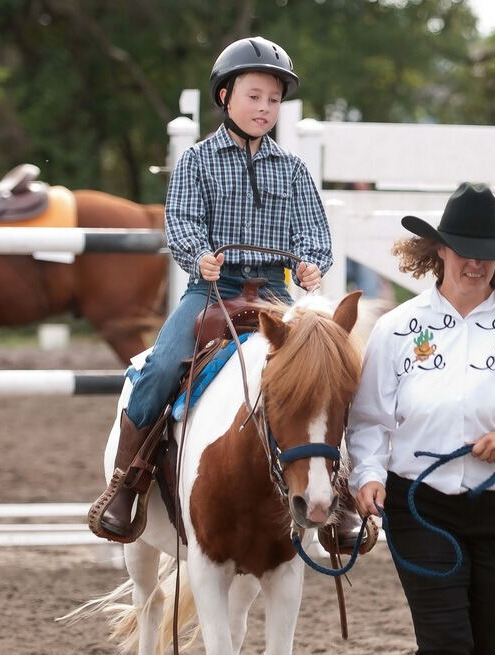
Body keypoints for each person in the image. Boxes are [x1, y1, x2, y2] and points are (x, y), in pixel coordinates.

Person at [88, 36, 333, 543]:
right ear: (225, 96)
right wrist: (198, 254)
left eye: (273, 99)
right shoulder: (197, 162)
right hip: (211, 292)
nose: (265, 108)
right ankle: (127, 484)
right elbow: (180, 224)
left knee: (326, 370)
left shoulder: (293, 169)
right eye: (254, 95)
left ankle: (343, 494)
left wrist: (311, 264)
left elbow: (314, 233)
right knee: (161, 365)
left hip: (275, 293)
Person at [347, 182, 495, 654]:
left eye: (486, 254)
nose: (474, 264)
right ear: (438, 249)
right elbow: (368, 418)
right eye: (462, 252)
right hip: (419, 508)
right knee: (445, 645)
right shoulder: (395, 329)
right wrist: (368, 474)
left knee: (494, 645)